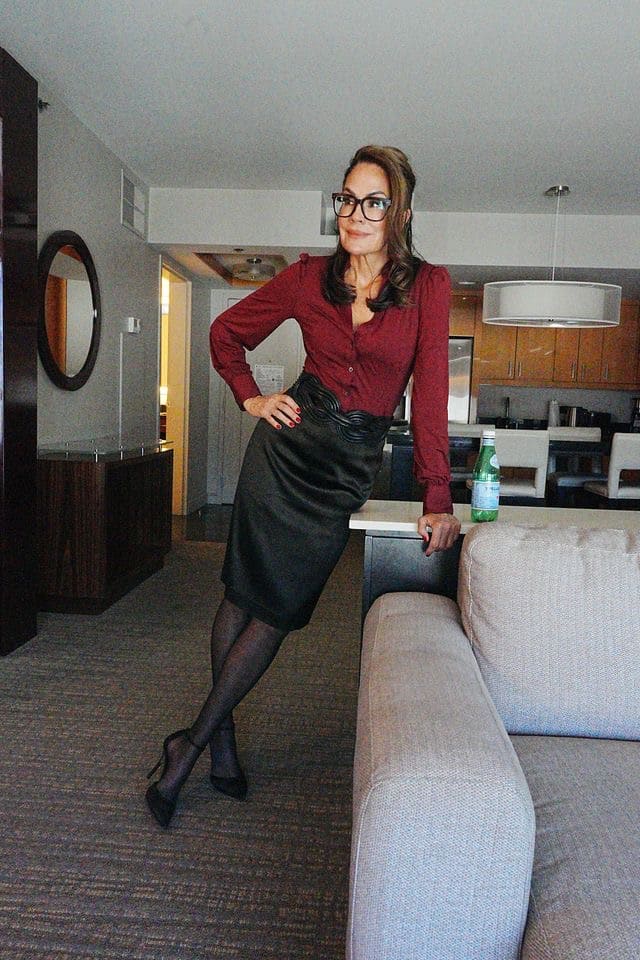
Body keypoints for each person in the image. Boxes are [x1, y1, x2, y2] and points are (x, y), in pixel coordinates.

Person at [145, 145, 461, 828]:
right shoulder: (307, 277)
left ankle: (188, 742)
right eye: (347, 199)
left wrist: (438, 498)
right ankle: (215, 743)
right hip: (284, 452)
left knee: (279, 609)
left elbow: (431, 398)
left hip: (343, 470)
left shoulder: (429, 287)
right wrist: (251, 397)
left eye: (374, 202)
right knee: (242, 594)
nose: (355, 214)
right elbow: (225, 333)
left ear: (400, 212)